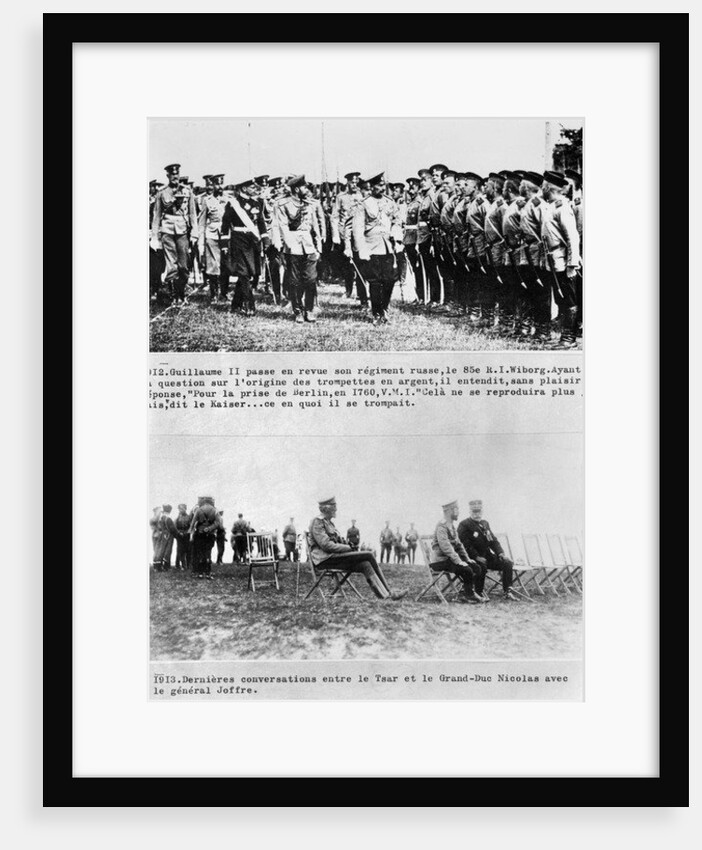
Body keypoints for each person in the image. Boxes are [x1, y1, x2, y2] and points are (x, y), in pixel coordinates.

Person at [308, 497, 407, 600]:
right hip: (325, 559)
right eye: (334, 506)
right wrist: (347, 548)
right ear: (326, 508)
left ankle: (385, 596)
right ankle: (390, 592)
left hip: (333, 557)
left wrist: (348, 544)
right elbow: (326, 545)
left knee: (365, 564)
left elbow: (336, 541)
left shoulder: (329, 523)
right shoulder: (317, 522)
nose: (336, 509)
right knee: (368, 555)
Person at [272, 175, 324, 323]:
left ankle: (309, 309)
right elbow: (280, 225)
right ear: (296, 189)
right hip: (292, 246)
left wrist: (318, 245)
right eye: (304, 187)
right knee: (294, 280)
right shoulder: (283, 204)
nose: (307, 190)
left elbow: (315, 227)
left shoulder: (309, 204)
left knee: (311, 279)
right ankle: (298, 311)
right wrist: (285, 246)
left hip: (308, 245)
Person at [352, 172, 401, 325]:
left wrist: (396, 236)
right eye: (378, 186)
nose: (381, 188)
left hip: (387, 245)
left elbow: (396, 221)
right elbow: (358, 228)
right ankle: (377, 313)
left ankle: (384, 307)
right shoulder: (363, 203)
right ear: (371, 187)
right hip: (371, 245)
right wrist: (362, 249)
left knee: (390, 279)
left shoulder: (390, 202)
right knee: (375, 281)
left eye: (382, 185)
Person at [540, 170, 581, 349]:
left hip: (563, 260)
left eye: (543, 185)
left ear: (548, 187)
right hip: (553, 260)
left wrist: (572, 264)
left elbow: (572, 237)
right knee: (560, 298)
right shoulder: (551, 206)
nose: (541, 188)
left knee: (568, 299)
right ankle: (564, 336)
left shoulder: (562, 207)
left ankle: (568, 339)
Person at [150, 163, 199, 304]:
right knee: (172, 265)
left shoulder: (187, 191)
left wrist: (194, 233)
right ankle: (175, 295)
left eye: (177, 174)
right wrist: (154, 237)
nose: (175, 177)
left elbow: (192, 214)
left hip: (182, 230)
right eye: (172, 175)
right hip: (167, 230)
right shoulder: (162, 192)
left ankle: (181, 291)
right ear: (168, 176)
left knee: (183, 265)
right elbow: (157, 216)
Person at [221, 179, 268, 316]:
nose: (254, 188)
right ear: (243, 188)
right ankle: (249, 304)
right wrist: (224, 245)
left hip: (253, 241)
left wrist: (265, 240)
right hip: (238, 240)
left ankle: (235, 304)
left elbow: (261, 223)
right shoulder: (233, 205)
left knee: (252, 273)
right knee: (243, 273)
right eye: (251, 186)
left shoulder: (257, 203)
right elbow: (225, 226)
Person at [430, 500, 485, 603]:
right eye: (457, 509)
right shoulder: (442, 526)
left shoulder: (452, 526)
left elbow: (459, 545)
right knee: (467, 569)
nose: (458, 512)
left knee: (476, 567)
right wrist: (459, 561)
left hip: (449, 559)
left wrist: (468, 559)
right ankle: (468, 595)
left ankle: (465, 593)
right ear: (450, 511)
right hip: (439, 561)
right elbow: (445, 546)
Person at [457, 499, 514, 599]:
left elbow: (493, 541)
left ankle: (508, 591)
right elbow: (465, 545)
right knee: (481, 565)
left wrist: (501, 553)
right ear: (469, 512)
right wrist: (476, 557)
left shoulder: (485, 523)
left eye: (479, 511)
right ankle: (478, 593)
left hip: (487, 556)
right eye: (474, 512)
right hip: (471, 557)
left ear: (482, 511)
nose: (477, 514)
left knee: (507, 563)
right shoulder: (464, 525)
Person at [197, 173, 229, 302]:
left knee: (226, 265)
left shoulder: (228, 200)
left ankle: (224, 294)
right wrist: (200, 241)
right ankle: (214, 294)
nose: (219, 186)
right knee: (213, 265)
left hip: (226, 235)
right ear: (213, 185)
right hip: (212, 235)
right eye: (217, 183)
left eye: (221, 183)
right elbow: (202, 222)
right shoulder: (207, 201)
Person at [189, 496, 218, 579]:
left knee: (200, 553)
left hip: (200, 534)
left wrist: (191, 534)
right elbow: (218, 523)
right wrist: (209, 528)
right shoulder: (214, 510)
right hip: (210, 534)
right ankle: (208, 573)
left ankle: (201, 573)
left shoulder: (199, 510)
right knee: (208, 553)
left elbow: (193, 523)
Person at [148, 180, 166, 301]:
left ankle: (158, 285)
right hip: (151, 235)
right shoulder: (150, 205)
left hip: (162, 234)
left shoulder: (162, 203)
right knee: (153, 264)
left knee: (161, 263)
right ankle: (154, 288)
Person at [153, 504, 177, 571]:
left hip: (162, 535)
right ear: (169, 511)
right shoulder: (168, 519)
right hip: (168, 536)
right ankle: (166, 566)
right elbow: (173, 529)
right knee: (167, 551)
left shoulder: (161, 518)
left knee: (160, 550)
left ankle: (158, 566)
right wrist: (177, 535)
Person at [174, 503, 192, 570]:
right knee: (180, 551)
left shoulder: (189, 517)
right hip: (180, 536)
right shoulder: (177, 518)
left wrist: (188, 532)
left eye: (182, 508)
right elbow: (175, 527)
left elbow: (191, 526)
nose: (181, 510)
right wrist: (179, 532)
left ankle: (188, 565)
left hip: (187, 536)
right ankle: (182, 565)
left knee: (188, 551)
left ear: (185, 509)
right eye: (180, 509)